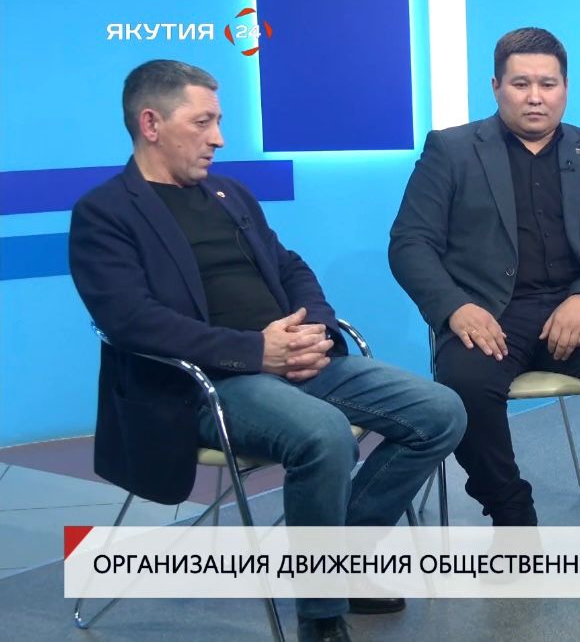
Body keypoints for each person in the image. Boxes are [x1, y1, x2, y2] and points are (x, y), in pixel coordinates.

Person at [68, 59, 467, 642]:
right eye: (203, 122)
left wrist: (316, 330)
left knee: (442, 411)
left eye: (218, 121)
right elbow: (131, 322)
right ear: (151, 124)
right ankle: (321, 617)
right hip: (205, 385)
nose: (219, 138)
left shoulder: (229, 194)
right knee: (324, 433)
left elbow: (290, 266)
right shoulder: (104, 213)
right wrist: (256, 351)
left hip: (296, 361)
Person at [389, 27, 580, 527]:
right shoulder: (451, 150)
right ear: (496, 87)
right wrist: (455, 308)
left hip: (579, 309)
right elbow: (410, 244)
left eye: (547, 84)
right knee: (465, 384)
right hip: (489, 312)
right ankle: (511, 513)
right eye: (521, 84)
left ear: (565, 88)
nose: (535, 97)